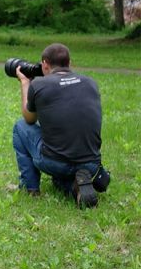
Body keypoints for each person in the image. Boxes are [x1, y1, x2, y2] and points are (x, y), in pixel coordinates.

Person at [12, 42, 109, 209]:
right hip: (91, 163)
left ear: (44, 64)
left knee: (20, 127)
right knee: (59, 180)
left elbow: (29, 119)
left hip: (55, 162)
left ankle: (31, 188)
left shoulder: (39, 85)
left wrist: (25, 83)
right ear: (70, 63)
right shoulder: (90, 82)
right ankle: (77, 188)